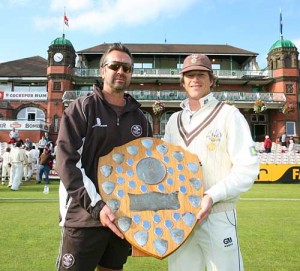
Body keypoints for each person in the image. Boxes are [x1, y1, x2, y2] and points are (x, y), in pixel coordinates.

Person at [55, 43, 153, 271]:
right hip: (84, 217)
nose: (121, 72)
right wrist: (98, 207)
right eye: (115, 66)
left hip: (122, 218)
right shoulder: (81, 109)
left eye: (127, 68)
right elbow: (67, 163)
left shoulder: (140, 119)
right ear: (102, 71)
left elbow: (146, 169)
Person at [163, 54, 260, 271]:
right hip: (180, 217)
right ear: (182, 81)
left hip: (218, 215)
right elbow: (166, 169)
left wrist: (211, 196)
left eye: (201, 74)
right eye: (189, 75)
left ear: (211, 80)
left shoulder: (229, 115)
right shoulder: (173, 121)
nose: (195, 79)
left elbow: (247, 168)